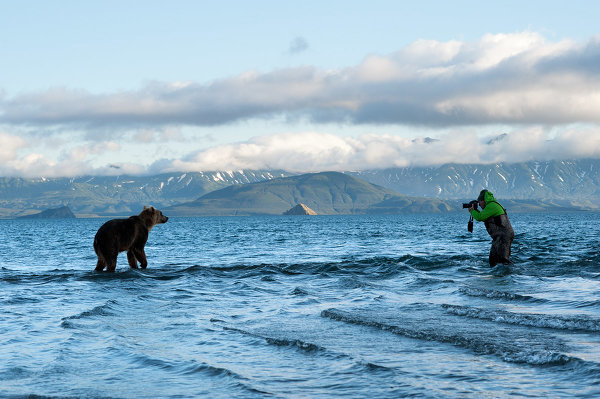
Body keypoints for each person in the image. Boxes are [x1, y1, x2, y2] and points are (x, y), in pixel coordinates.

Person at [469, 189, 514, 267]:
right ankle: (498, 276)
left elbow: (480, 217)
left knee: (503, 260)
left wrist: (472, 211)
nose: (479, 205)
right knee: (493, 260)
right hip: (499, 236)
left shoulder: (491, 206)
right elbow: (483, 215)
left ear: (483, 200)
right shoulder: (491, 206)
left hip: (503, 236)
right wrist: (474, 210)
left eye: (479, 202)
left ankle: (509, 274)